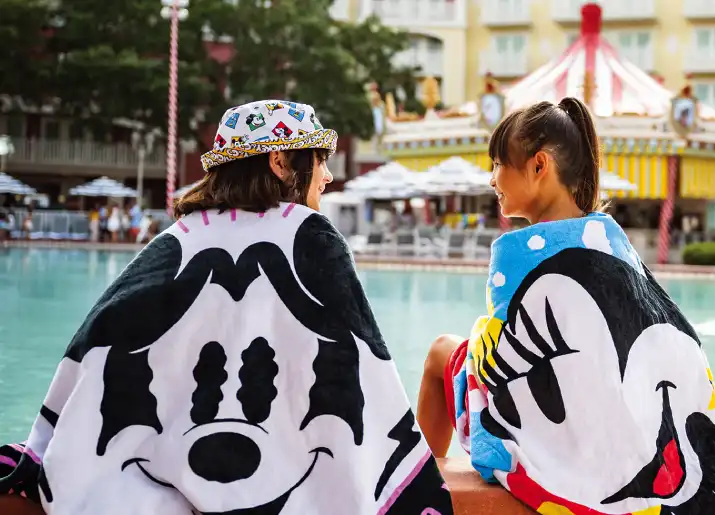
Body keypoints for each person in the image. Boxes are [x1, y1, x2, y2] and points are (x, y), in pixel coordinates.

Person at [0, 100, 453, 515]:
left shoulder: (173, 240)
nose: (327, 176)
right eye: (319, 159)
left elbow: (95, 349)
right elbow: (363, 368)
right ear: (280, 161)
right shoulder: (309, 236)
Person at [416, 98, 715, 515]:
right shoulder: (608, 236)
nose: (492, 179)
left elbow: (499, 362)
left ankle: (420, 497)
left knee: (439, 353)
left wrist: (485, 334)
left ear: (539, 166)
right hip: (633, 424)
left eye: (498, 164)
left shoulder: (521, 252)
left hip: (567, 437)